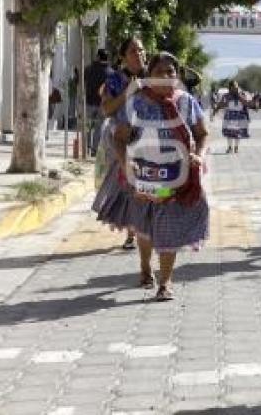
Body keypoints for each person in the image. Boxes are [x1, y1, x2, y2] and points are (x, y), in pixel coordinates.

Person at [106, 52, 209, 301]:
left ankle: (165, 282)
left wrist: (200, 155)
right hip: (144, 175)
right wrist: (125, 162)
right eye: (159, 72)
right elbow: (119, 137)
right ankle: (145, 266)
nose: (165, 76)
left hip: (176, 175)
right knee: (145, 225)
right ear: (149, 76)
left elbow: (202, 133)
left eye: (170, 72)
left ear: (177, 76)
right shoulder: (137, 103)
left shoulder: (187, 102)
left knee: (168, 225)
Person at [94, 38, 147, 251]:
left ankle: (148, 227)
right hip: (122, 138)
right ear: (123, 57)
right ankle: (133, 231)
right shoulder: (114, 81)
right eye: (133, 51)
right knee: (129, 183)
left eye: (141, 50)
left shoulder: (154, 76)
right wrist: (129, 92)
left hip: (150, 138)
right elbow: (107, 110)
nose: (138, 54)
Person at [85, 49, 111, 156]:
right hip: (102, 104)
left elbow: (82, 82)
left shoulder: (88, 69)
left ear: (98, 57)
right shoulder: (111, 72)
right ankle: (94, 150)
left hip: (89, 102)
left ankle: (86, 148)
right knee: (99, 128)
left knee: (87, 127)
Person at [214, 81, 251, 153]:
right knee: (229, 132)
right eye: (234, 87)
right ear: (230, 88)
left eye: (237, 86)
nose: (236, 88)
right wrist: (214, 112)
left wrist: (239, 96)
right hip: (229, 115)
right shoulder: (226, 95)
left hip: (240, 115)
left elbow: (246, 103)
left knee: (238, 132)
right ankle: (230, 147)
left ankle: (236, 147)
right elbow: (220, 104)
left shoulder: (242, 94)